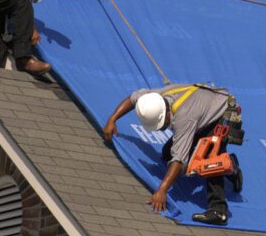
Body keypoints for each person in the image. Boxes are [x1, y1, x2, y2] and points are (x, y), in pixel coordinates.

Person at [103, 84, 243, 225]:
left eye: (163, 124)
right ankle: (230, 165)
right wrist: (112, 119)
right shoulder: (155, 99)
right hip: (203, 110)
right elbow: (132, 99)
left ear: (167, 113)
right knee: (167, 153)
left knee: (210, 161)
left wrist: (162, 190)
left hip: (222, 113)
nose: (162, 128)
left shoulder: (184, 118)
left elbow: (179, 159)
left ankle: (219, 210)